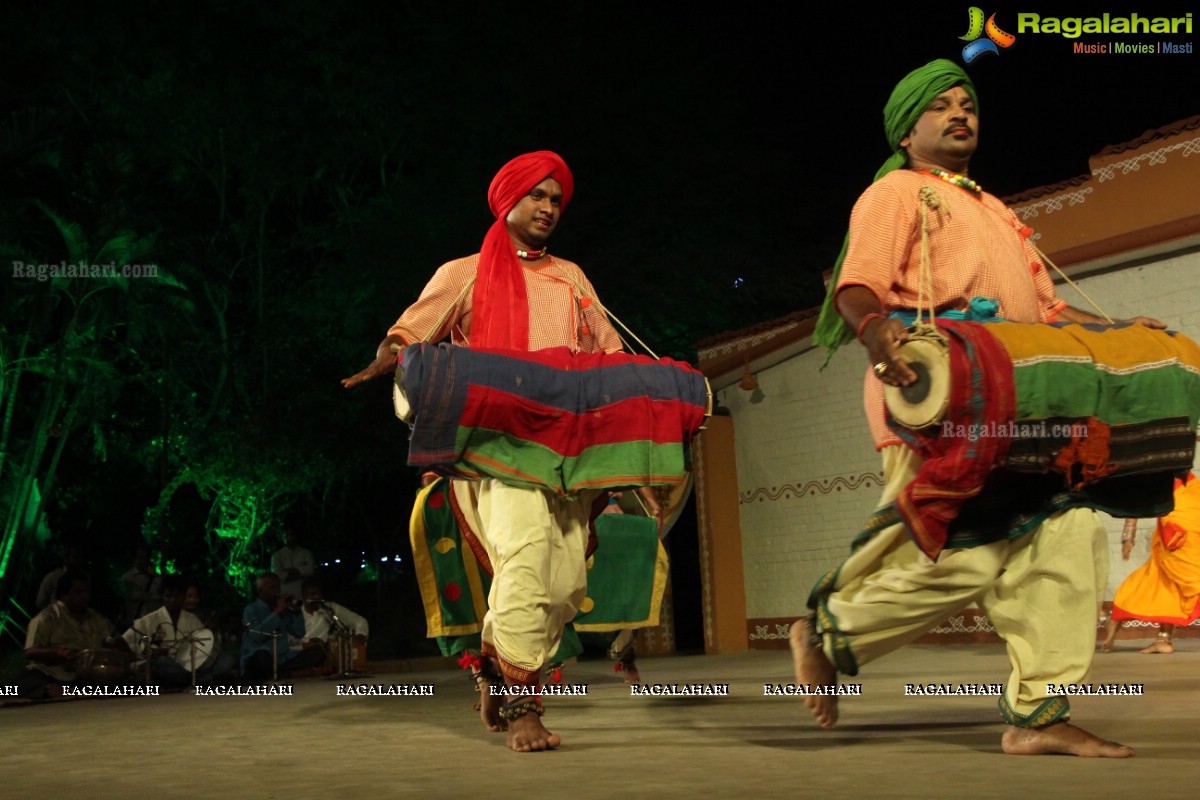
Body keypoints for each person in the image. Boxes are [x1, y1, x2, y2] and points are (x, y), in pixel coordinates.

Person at [795, 59, 1165, 758]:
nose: (961, 113)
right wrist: (878, 336)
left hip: (1022, 392)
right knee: (960, 551)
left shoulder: (995, 210)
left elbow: (1048, 312)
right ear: (907, 131)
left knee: (1067, 530)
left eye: (967, 103)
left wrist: (1120, 333)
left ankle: (1039, 713)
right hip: (935, 386)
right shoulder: (897, 193)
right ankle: (830, 630)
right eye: (941, 106)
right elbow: (856, 288)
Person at [343, 151, 622, 752]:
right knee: (526, 556)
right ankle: (524, 703)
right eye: (537, 196)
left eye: (556, 199)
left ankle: (496, 666)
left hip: (565, 451)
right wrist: (384, 358)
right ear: (508, 201)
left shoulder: (572, 278)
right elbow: (412, 332)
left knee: (566, 583)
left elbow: (609, 353)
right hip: (492, 443)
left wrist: (647, 413)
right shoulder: (464, 273)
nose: (548, 208)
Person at [1102, 475, 1200, 653]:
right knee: (1162, 578)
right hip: (1181, 509)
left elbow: (1136, 499)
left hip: (1182, 516)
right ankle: (1163, 639)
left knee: (1187, 580)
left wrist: (1128, 537)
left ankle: (1117, 620)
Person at [20, 570, 127, 700]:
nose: (85, 596)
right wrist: (58, 652)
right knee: (31, 679)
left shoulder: (98, 619)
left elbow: (117, 643)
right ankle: (59, 691)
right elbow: (30, 651)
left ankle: (68, 691)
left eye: (87, 592)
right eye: (79, 592)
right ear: (64, 595)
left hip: (86, 674)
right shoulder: (47, 618)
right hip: (52, 672)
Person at [124, 575, 234, 688]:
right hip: (168, 665)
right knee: (161, 663)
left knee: (227, 660)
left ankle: (196, 680)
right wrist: (151, 653)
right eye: (168, 596)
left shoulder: (192, 619)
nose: (172, 600)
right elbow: (127, 642)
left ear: (183, 597)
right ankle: (203, 680)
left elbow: (203, 645)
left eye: (176, 596)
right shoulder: (148, 620)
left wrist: (210, 631)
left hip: (191, 664)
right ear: (162, 596)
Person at [240, 573, 324, 684]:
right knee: (262, 656)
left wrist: (296, 611)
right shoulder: (251, 609)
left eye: (278, 587)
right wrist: (277, 613)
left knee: (319, 651)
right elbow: (256, 635)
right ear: (260, 591)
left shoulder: (283, 608)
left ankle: (284, 674)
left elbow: (299, 633)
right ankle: (288, 674)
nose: (277, 591)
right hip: (260, 659)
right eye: (272, 587)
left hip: (282, 659)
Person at [298, 577, 369, 674]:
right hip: (302, 656)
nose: (316, 597)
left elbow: (359, 620)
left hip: (328, 656)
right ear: (303, 596)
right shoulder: (296, 612)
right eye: (312, 594)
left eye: (318, 594)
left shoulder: (330, 608)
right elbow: (289, 641)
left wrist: (360, 633)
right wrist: (307, 641)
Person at [34, 542, 86, 610]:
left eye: (80, 557)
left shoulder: (84, 579)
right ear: (66, 558)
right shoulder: (52, 577)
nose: (78, 561)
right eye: (75, 557)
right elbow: (40, 602)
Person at [121, 544, 161, 625]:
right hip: (137, 620)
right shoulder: (128, 578)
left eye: (146, 558)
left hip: (154, 620)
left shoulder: (157, 578)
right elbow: (134, 595)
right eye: (140, 558)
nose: (144, 561)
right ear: (134, 559)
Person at [271, 527, 315, 599]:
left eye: (292, 535)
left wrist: (287, 571)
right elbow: (278, 576)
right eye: (286, 535)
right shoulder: (277, 556)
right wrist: (302, 572)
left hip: (303, 594)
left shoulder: (306, 553)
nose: (290, 538)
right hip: (285, 595)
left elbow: (311, 570)